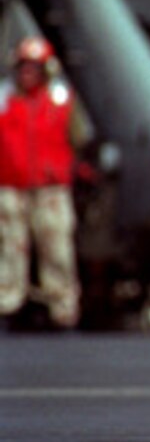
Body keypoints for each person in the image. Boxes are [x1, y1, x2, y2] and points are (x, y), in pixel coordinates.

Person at [0, 36, 81, 329]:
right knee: (9, 249)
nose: (28, 73)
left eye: (34, 67)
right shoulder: (4, 100)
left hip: (50, 189)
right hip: (10, 187)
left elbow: (78, 139)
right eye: (24, 67)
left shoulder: (62, 101)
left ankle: (62, 309)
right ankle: (7, 305)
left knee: (57, 249)